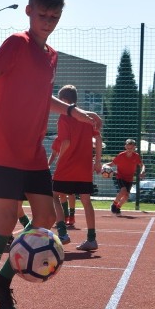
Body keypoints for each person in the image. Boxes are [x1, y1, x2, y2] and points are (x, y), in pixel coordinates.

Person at [0, 0, 102, 309]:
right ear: (29, 11)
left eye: (54, 17)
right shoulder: (15, 44)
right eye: (42, 15)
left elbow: (42, 97)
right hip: (3, 147)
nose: (48, 22)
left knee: (45, 217)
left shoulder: (50, 55)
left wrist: (74, 112)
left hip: (33, 152)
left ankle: (2, 281)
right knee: (6, 220)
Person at [51, 85, 102, 252]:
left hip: (68, 165)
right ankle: (92, 239)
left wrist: (58, 161)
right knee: (86, 201)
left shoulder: (64, 118)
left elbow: (65, 142)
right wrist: (98, 162)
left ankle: (63, 233)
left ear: (65, 101)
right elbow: (99, 140)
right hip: (85, 166)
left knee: (54, 195)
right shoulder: (88, 117)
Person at [110, 138, 145, 216]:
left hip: (129, 178)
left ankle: (118, 207)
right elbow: (112, 164)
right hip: (120, 176)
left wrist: (142, 171)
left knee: (126, 196)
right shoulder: (121, 155)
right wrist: (104, 166)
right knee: (123, 191)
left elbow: (142, 165)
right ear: (125, 147)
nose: (129, 150)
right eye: (128, 148)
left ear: (134, 148)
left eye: (131, 148)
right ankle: (114, 204)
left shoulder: (136, 156)